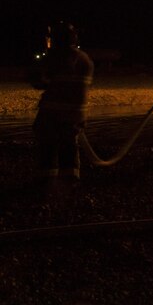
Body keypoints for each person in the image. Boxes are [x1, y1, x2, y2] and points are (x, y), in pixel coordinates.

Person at [30, 21, 94, 193]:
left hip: (52, 113)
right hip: (77, 113)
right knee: (69, 145)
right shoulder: (84, 59)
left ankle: (46, 182)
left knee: (48, 145)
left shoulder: (55, 57)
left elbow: (37, 80)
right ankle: (70, 181)